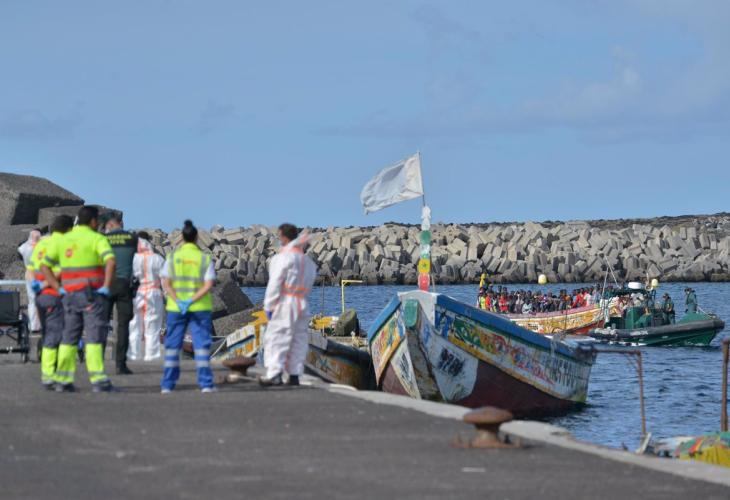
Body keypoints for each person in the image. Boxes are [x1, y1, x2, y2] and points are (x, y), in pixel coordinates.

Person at [41, 205, 116, 393]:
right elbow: (110, 261)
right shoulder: (97, 238)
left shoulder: (64, 240)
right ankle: (98, 380)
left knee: (69, 337)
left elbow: (45, 266)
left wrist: (57, 287)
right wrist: (106, 286)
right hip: (91, 295)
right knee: (94, 336)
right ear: (93, 221)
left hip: (68, 295)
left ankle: (63, 379)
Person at [160, 220, 216, 393]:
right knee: (201, 346)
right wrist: (191, 300)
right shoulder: (204, 259)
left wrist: (179, 300)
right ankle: (206, 384)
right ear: (197, 238)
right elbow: (208, 285)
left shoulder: (172, 258)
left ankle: (167, 385)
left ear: (182, 238)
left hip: (176, 308)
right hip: (199, 308)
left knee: (172, 346)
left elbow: (166, 283)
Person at [260, 223, 317, 387]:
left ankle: (275, 374)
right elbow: (310, 282)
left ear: (283, 236)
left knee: (277, 338)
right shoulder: (307, 262)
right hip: (302, 303)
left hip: (285, 302)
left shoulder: (282, 258)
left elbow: (275, 283)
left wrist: (269, 306)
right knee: (298, 340)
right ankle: (294, 375)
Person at [30, 216, 73, 388]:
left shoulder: (41, 244)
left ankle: (49, 373)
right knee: (57, 336)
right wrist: (49, 284)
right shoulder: (63, 244)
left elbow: (32, 269)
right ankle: (51, 375)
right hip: (55, 294)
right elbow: (62, 270)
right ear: (68, 229)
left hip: (40, 296)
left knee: (47, 333)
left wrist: (37, 287)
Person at [102, 215, 138, 375]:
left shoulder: (103, 239)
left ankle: (97, 361)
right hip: (124, 284)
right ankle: (120, 364)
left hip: (106, 283)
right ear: (121, 223)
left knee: (102, 323)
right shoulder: (132, 238)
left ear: (109, 225)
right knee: (123, 325)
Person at [128, 234, 164, 361]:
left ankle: (134, 355)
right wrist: (167, 294)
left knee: (135, 325)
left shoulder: (133, 259)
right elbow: (165, 279)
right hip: (154, 293)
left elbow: (129, 277)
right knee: (152, 326)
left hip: (139, 292)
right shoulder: (158, 259)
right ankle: (151, 355)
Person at [18, 229, 42, 332]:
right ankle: (41, 324)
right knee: (41, 300)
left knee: (32, 301)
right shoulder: (42, 246)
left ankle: (33, 326)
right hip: (41, 274)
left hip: (29, 273)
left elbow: (19, 252)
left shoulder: (23, 247)